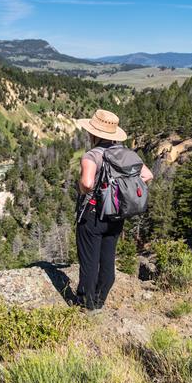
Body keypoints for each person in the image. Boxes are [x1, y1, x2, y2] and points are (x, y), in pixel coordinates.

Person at [75, 109, 153, 312]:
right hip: (116, 215)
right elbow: (147, 176)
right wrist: (120, 192)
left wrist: (82, 189)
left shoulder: (92, 155)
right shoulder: (126, 154)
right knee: (107, 258)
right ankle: (100, 301)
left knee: (89, 261)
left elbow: (87, 182)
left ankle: (86, 304)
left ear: (94, 133)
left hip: (92, 215)